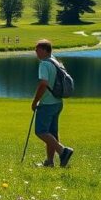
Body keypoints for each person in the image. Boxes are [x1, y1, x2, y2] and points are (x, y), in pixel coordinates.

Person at [31, 39, 74, 168]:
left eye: (37, 50)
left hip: (47, 104)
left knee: (41, 131)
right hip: (57, 103)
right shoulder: (55, 61)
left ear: (44, 50)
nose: (36, 52)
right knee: (52, 133)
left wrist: (35, 101)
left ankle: (63, 151)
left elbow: (43, 84)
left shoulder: (44, 64)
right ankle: (49, 162)